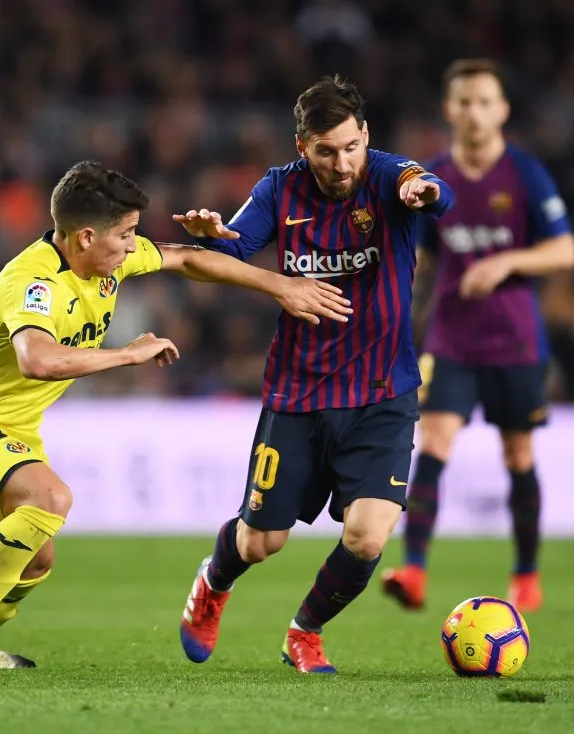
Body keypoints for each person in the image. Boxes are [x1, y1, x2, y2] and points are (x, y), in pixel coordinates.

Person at [0, 160, 351, 676]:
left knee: (36, 558)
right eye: (125, 235)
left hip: (12, 432)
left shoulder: (108, 260)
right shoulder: (34, 282)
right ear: (85, 236)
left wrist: (278, 285)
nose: (130, 245)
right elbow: (38, 360)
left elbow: (186, 259)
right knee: (51, 498)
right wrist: (128, 354)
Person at [175, 75, 455, 674]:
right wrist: (212, 240)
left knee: (368, 537)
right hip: (298, 395)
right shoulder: (279, 190)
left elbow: (432, 190)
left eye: (351, 146)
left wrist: (424, 192)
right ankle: (213, 580)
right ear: (302, 146)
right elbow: (226, 256)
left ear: (365, 137)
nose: (342, 162)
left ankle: (305, 632)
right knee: (260, 542)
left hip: (384, 395)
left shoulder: (387, 176)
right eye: (326, 151)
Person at [381, 59, 574, 613]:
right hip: (451, 339)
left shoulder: (525, 175)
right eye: (464, 102)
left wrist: (506, 261)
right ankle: (414, 570)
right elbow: (412, 253)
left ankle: (526, 576)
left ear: (503, 111)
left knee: (518, 453)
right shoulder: (431, 180)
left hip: (515, 341)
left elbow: (566, 250)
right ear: (449, 111)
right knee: (436, 441)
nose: (474, 112)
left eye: (485, 102)